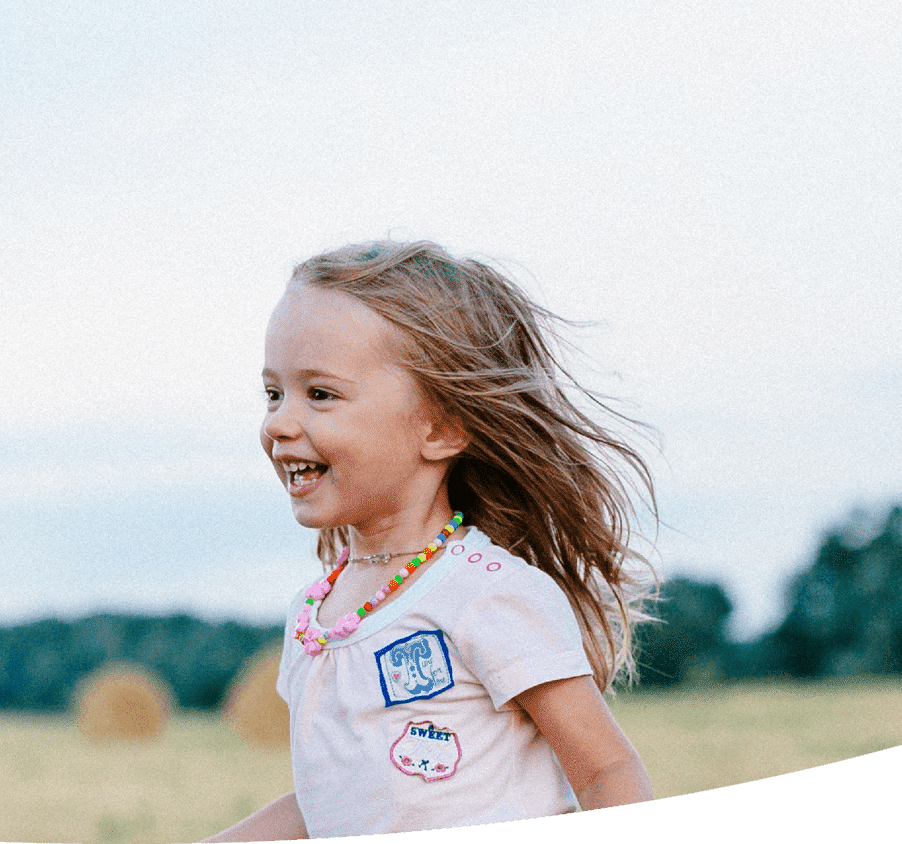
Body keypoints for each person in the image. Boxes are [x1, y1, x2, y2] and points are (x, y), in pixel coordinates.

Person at [205, 241, 658, 839]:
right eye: (273, 394)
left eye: (320, 394)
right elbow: (332, 805)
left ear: (441, 428)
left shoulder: (486, 594)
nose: (280, 423)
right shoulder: (312, 619)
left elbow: (606, 772)